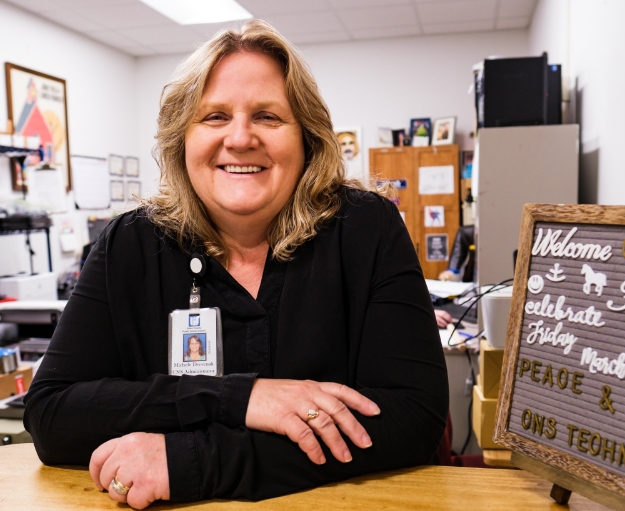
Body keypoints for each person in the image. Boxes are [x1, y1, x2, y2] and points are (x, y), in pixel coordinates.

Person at [24, 20, 448, 510]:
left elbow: (412, 418)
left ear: (307, 138)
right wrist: (241, 399)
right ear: (181, 139)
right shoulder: (130, 245)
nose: (241, 138)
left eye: (268, 117)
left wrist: (191, 461)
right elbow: (53, 415)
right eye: (214, 117)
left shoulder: (365, 229)